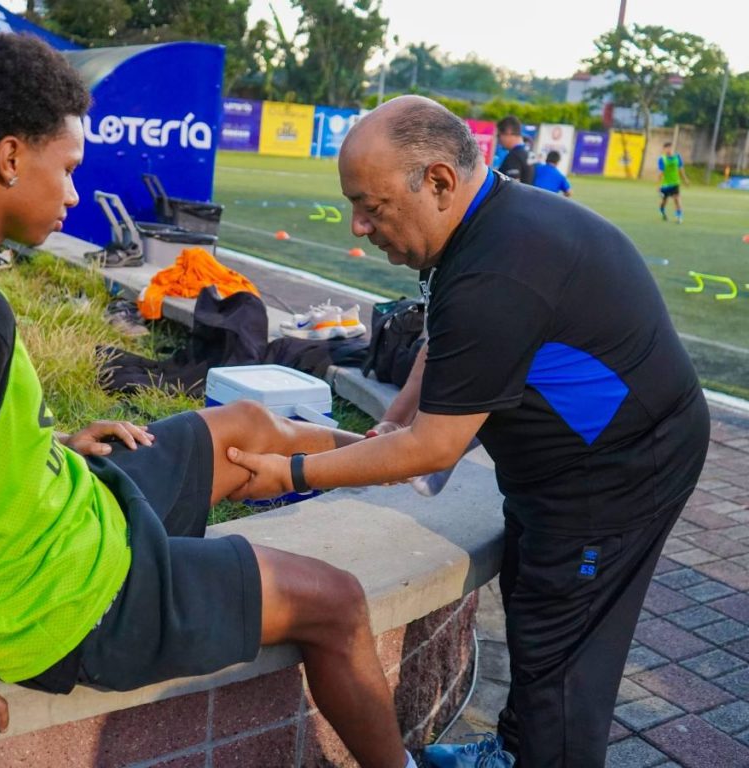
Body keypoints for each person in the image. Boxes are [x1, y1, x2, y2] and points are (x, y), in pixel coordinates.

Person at [0, 33, 410, 768]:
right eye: (68, 169)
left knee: (242, 427)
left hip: (62, 519)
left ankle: (389, 459)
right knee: (336, 601)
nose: (75, 193)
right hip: (61, 606)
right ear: (10, 158)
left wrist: (44, 445)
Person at [227, 95, 710, 768]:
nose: (359, 226)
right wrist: (398, 414)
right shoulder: (490, 225)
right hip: (585, 457)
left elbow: (433, 449)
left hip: (617, 472)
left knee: (564, 661)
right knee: (538, 607)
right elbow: (449, 333)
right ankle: (514, 750)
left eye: (372, 206)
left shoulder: (498, 268)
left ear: (439, 182)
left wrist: (292, 474)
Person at [495, 115, 535, 185]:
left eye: (498, 135)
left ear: (508, 132)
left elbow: (511, 188)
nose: (498, 140)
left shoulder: (514, 156)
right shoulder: (528, 153)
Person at [657, 141, 690, 223]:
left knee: (677, 200)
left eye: (670, 148)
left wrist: (685, 179)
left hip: (675, 183)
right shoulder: (662, 159)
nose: (669, 150)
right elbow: (660, 173)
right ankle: (662, 211)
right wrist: (658, 185)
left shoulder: (677, 157)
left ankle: (679, 217)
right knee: (664, 201)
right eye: (667, 148)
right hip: (665, 184)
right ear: (664, 149)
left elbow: (681, 169)